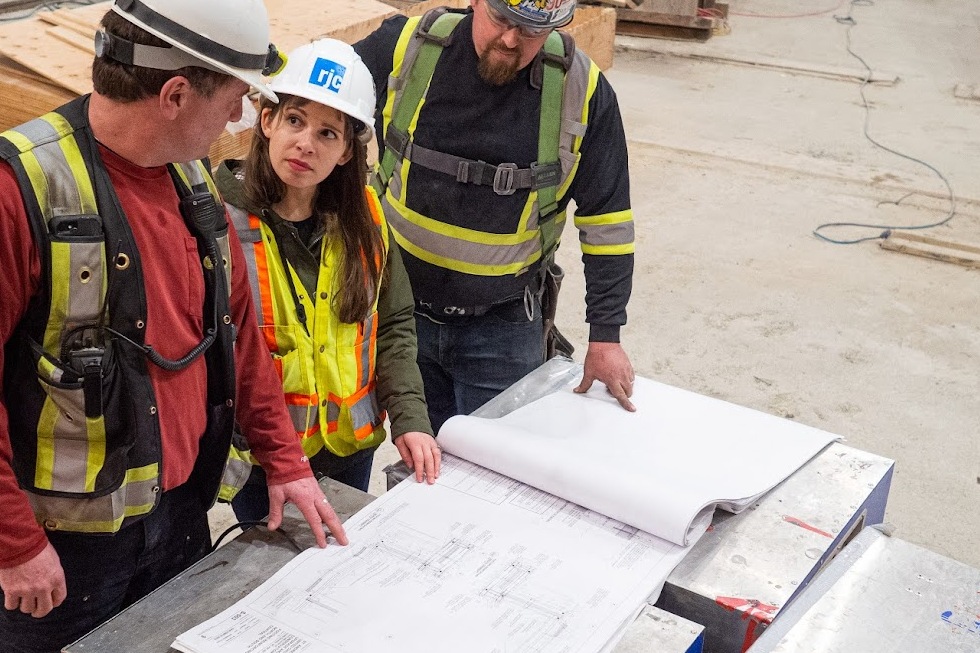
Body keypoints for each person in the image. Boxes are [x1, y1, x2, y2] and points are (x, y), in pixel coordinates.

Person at [0, 2, 347, 651]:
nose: (242, 116)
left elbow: (239, 335)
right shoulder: (21, 191)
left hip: (182, 517)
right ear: (176, 94)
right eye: (236, 96)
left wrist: (284, 459)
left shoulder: (192, 180)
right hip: (63, 555)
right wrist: (14, 542)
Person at [355, 0, 638, 432]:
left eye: (529, 30)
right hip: (397, 317)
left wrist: (605, 335)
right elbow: (314, 98)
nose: (510, 40)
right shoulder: (409, 47)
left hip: (503, 328)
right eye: (502, 20)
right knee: (419, 470)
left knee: (499, 475)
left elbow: (608, 223)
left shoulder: (581, 91)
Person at [215, 38, 441, 523]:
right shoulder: (218, 221)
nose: (305, 143)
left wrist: (411, 419)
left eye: (328, 133)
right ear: (267, 120)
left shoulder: (367, 219)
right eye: (294, 120)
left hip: (348, 451)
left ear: (344, 152)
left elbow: (394, 324)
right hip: (260, 461)